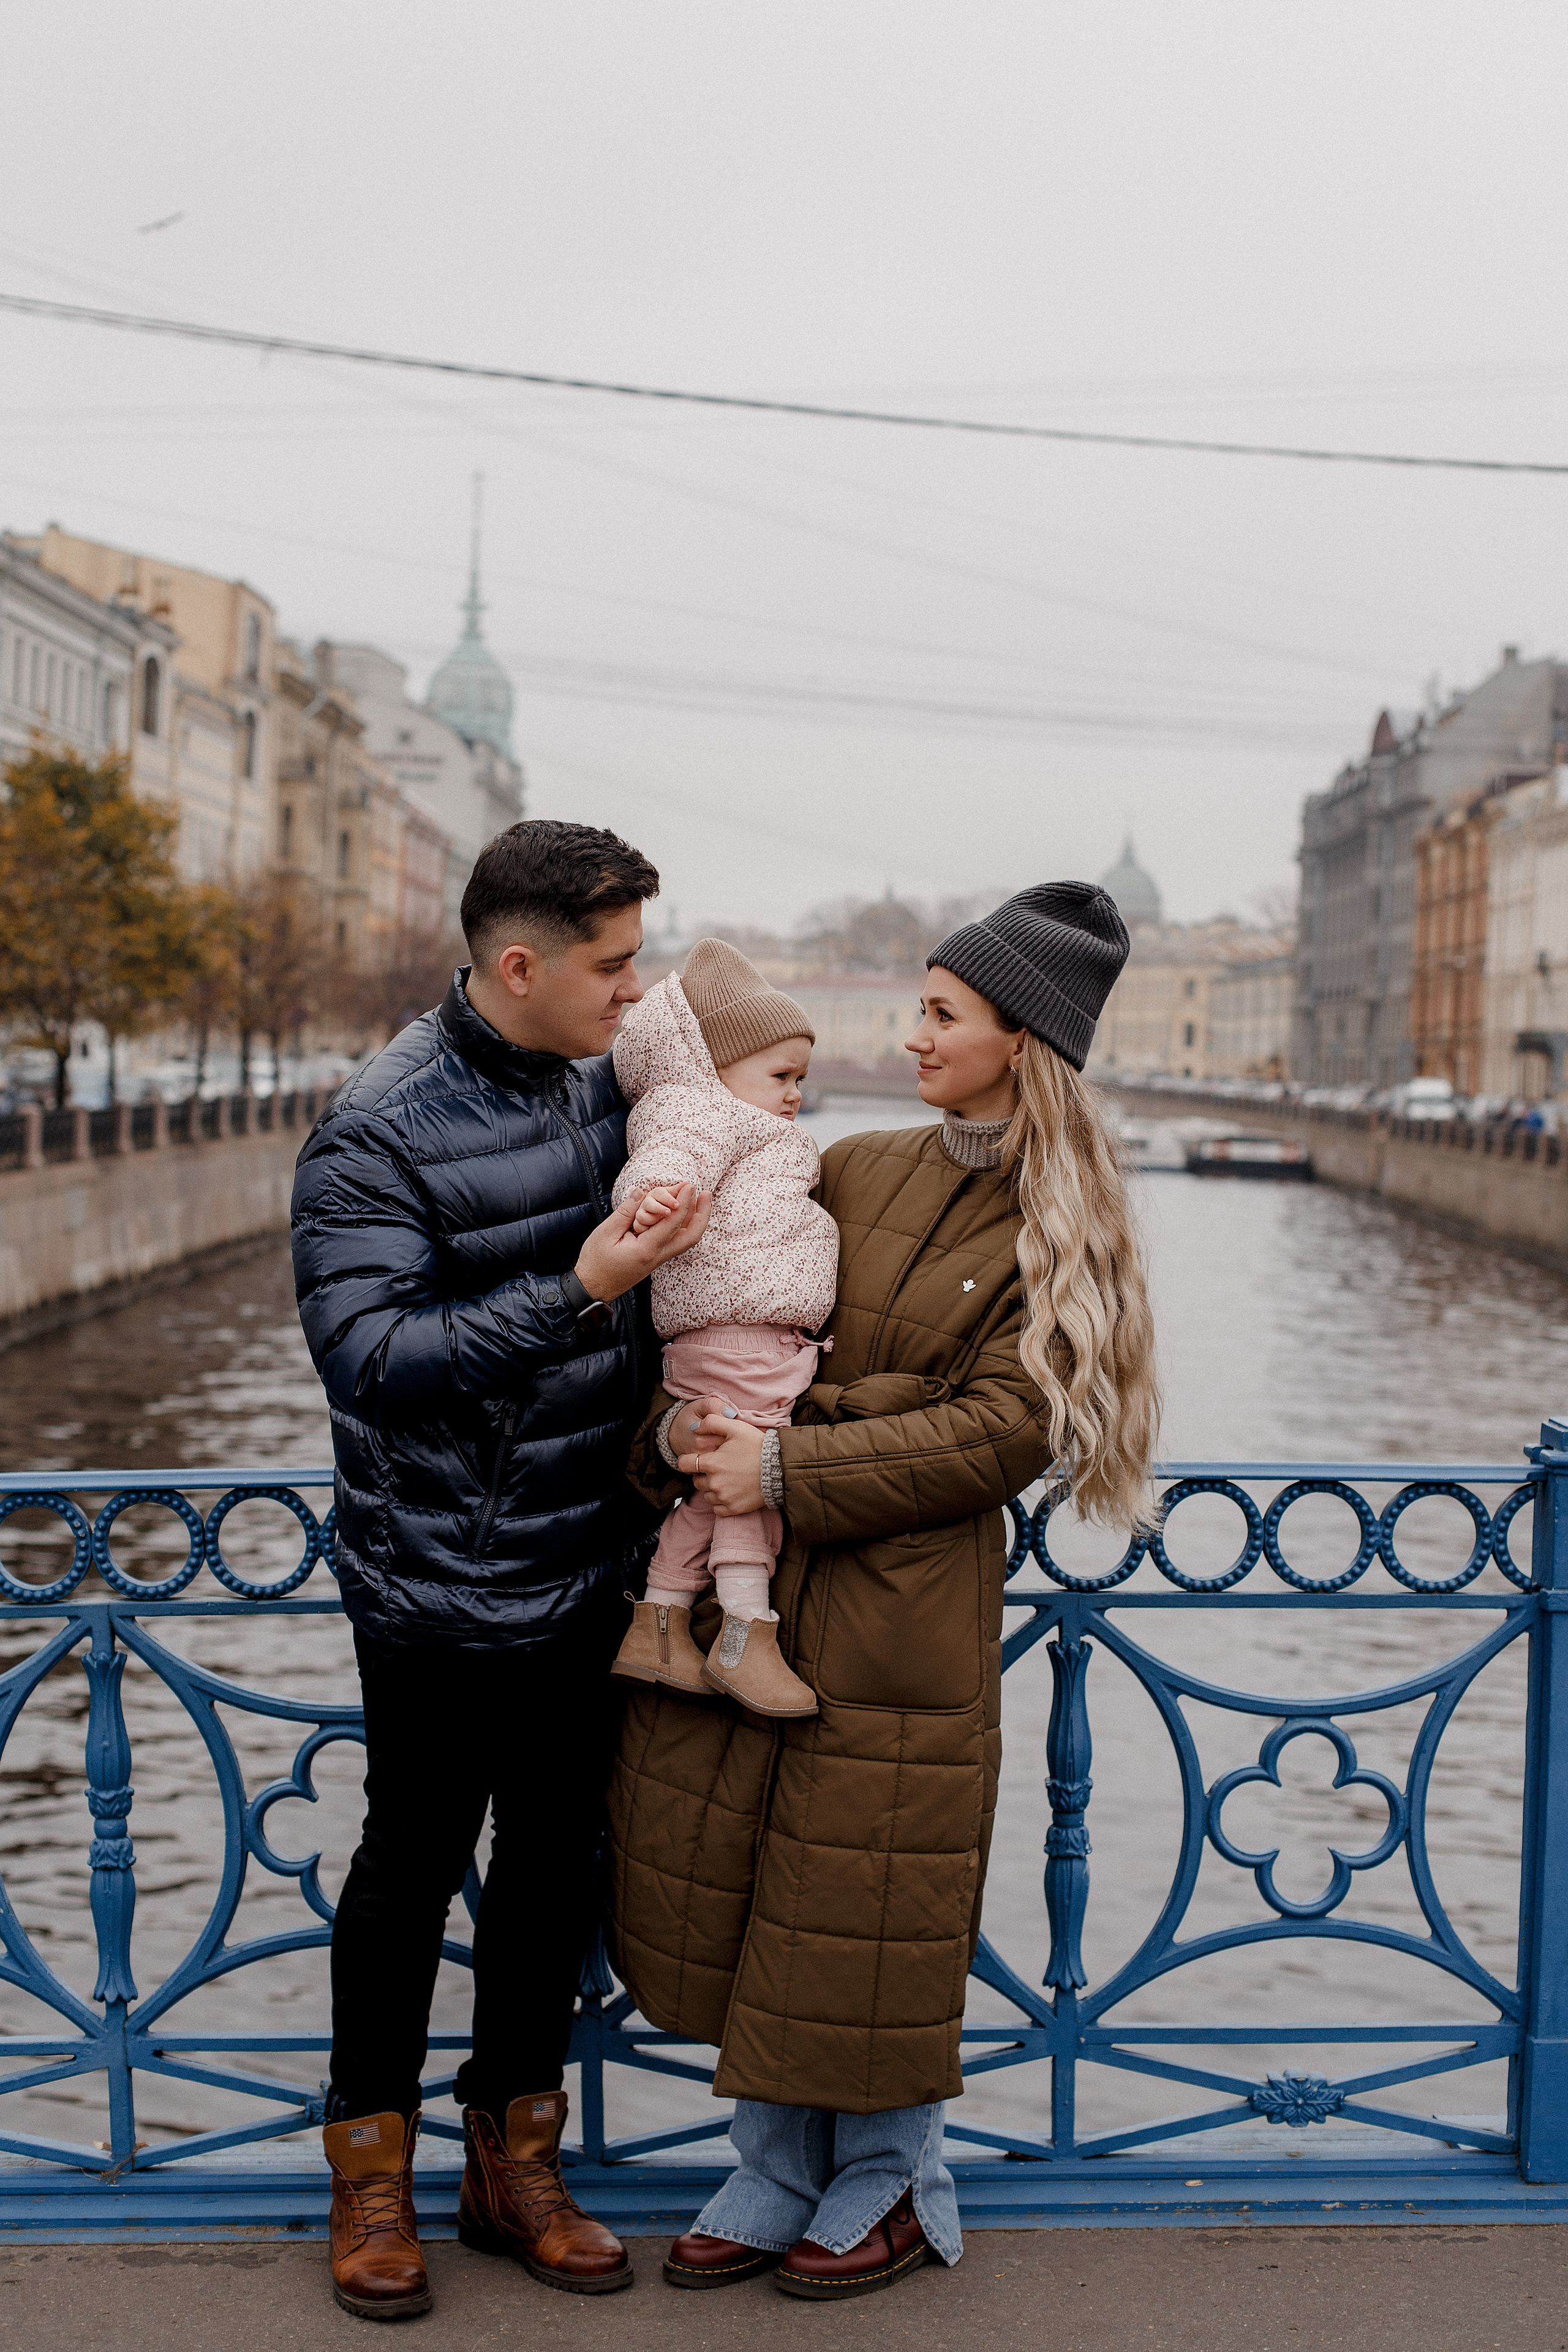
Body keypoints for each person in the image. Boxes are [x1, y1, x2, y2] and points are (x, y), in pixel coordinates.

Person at [607, 881, 1159, 2301]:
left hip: (905, 1611)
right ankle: (772, 2162)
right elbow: (729, 1329)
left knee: (872, 1905)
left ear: (1019, 1043)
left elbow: (1005, 1428)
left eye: (940, 1013)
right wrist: (677, 1436)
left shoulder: (1061, 1221)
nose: (909, 1035)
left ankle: (892, 2176)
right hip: (765, 1588)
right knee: (766, 1884)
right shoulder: (850, 1168)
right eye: (916, 1004)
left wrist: (789, 1464)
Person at [292, 820, 712, 2321]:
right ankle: (370, 2180)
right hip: (436, 1583)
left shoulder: (615, 1079)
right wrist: (580, 1285)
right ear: (517, 963)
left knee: (552, 1876)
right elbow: (371, 1359)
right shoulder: (376, 1127)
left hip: (588, 1561)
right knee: (407, 1878)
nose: (634, 987)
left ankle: (513, 2163)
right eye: (611, 963)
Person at [607, 939, 838, 1716]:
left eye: (801, 1078)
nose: (796, 1094)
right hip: (740, 1337)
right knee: (750, 1494)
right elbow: (672, 1153)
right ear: (717, 1070)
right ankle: (745, 1635)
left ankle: (660, 1624)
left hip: (735, 1335)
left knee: (710, 1491)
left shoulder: (739, 1119)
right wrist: (655, 1199)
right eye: (781, 1077)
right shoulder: (705, 1112)